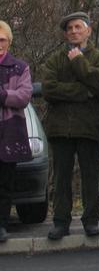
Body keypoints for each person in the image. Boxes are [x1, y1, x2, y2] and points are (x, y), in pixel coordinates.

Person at [43, 12, 99, 240]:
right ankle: (60, 222)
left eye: (78, 27)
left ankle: (91, 221)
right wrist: (84, 92)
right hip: (60, 128)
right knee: (61, 178)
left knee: (90, 177)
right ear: (65, 34)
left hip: (90, 128)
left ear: (88, 31)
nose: (73, 31)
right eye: (69, 28)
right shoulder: (55, 59)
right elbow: (49, 90)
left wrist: (78, 61)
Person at [0, 21, 33, 243]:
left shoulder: (20, 67)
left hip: (9, 135)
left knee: (5, 184)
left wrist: (2, 96)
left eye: (1, 39)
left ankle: (1, 225)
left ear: (9, 42)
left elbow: (23, 96)